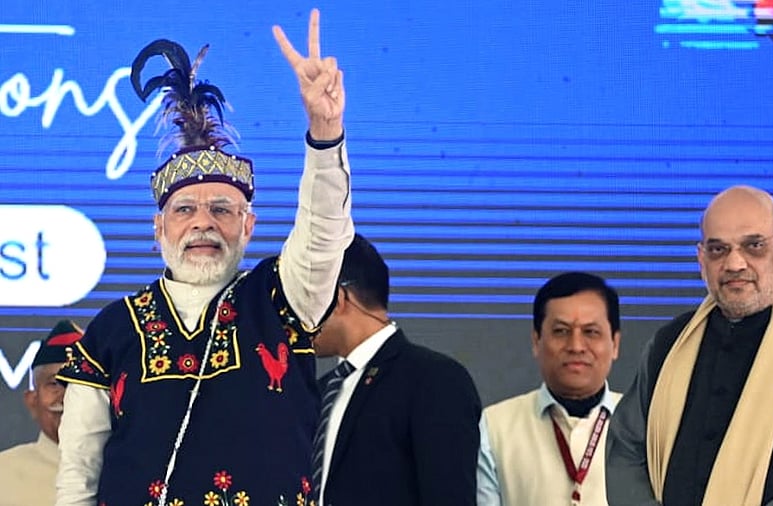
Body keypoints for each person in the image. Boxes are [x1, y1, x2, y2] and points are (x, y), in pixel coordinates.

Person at [54, 8, 354, 506]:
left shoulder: (282, 299)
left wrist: (326, 128)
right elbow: (79, 476)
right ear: (158, 229)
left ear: (248, 226)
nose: (203, 223)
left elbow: (324, 232)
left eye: (222, 209)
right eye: (185, 209)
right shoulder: (112, 330)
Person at [606, 185, 773, 506]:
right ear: (701, 260)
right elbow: (624, 449)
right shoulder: (670, 343)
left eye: (754, 246)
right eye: (718, 249)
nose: (735, 263)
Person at [310, 233, 482, 506]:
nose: (293, 315)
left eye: (305, 297)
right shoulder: (319, 390)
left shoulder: (434, 380)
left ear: (337, 297)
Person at [477, 271, 622, 506]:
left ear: (615, 344)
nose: (576, 346)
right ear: (536, 341)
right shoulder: (494, 427)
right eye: (561, 331)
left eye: (591, 332)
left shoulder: (645, 426)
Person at [0, 321, 83, 506]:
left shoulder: (132, 472)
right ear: (32, 401)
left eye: (82, 384)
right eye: (54, 384)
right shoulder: (3, 475)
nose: (68, 397)